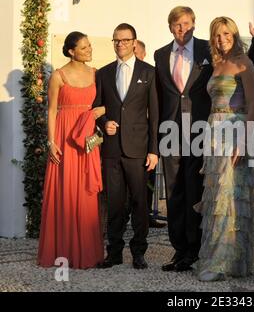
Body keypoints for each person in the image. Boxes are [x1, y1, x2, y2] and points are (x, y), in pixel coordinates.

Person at [155, 6, 254, 273]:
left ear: (194, 25)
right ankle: (180, 250)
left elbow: (243, 66)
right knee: (175, 192)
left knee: (209, 192)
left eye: (186, 24)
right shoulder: (160, 55)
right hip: (177, 131)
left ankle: (200, 251)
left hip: (211, 130)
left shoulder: (209, 50)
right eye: (177, 25)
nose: (182, 29)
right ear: (170, 27)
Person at [193, 16, 254, 282]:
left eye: (227, 35)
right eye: (218, 35)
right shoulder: (217, 65)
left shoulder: (245, 63)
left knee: (230, 198)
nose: (222, 40)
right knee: (217, 196)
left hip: (235, 130)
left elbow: (253, 105)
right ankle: (220, 258)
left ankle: (223, 262)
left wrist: (244, 140)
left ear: (235, 35)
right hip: (215, 132)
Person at [94, 23, 159, 270]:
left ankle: (139, 251)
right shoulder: (103, 73)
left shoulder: (149, 73)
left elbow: (155, 115)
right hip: (111, 149)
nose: (119, 44)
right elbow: (97, 107)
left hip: (139, 149)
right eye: (116, 40)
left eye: (124, 40)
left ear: (134, 42)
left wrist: (154, 150)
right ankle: (115, 251)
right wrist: (103, 122)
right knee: (115, 202)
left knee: (140, 203)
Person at [38, 31, 105, 269]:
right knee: (63, 192)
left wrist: (99, 111)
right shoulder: (58, 76)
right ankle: (62, 250)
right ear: (71, 51)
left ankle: (87, 251)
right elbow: (52, 110)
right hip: (65, 139)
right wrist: (51, 142)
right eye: (84, 48)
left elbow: (108, 102)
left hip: (87, 138)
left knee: (86, 191)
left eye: (89, 46)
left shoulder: (97, 74)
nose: (89, 50)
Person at [133, 39, 167, 229]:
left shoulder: (151, 74)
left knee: (149, 178)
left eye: (136, 51)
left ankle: (146, 215)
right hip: (127, 135)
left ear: (143, 54)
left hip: (147, 134)